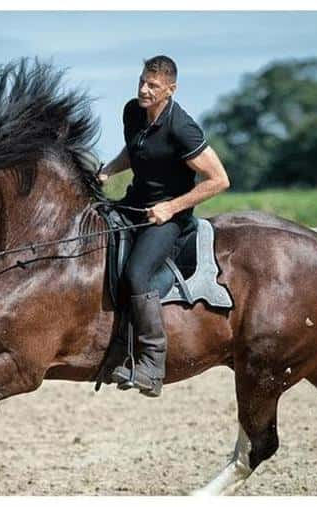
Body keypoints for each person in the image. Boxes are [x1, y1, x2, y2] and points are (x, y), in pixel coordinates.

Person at [98, 55, 230, 397]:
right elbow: (135, 149)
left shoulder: (181, 128)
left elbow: (219, 180)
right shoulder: (132, 111)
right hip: (134, 204)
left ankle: (152, 365)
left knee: (136, 274)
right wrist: (109, 170)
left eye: (153, 85)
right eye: (142, 81)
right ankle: (114, 345)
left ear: (170, 90)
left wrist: (171, 207)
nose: (144, 89)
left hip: (170, 218)